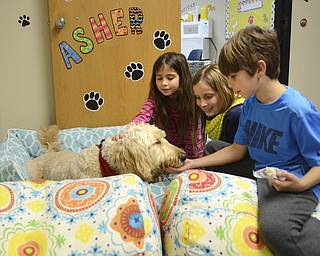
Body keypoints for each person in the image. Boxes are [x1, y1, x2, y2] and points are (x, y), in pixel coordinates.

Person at [170, 26, 320, 254]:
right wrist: (192, 162)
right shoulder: (250, 103)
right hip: (260, 168)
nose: (230, 84)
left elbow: (318, 165)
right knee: (212, 149)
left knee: (275, 229)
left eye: (233, 77)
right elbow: (238, 150)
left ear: (259, 69)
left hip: (292, 177)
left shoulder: (297, 110)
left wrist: (299, 184)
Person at [114, 52, 203, 159]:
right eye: (159, 78)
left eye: (170, 78)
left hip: (191, 151)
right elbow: (143, 116)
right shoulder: (156, 99)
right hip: (168, 150)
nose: (164, 83)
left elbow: (191, 138)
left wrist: (190, 162)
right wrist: (128, 133)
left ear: (183, 77)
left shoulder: (192, 102)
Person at [192, 64, 254, 178]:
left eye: (208, 97)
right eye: (197, 97)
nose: (202, 104)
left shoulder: (235, 114)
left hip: (254, 167)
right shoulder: (216, 112)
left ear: (224, 90)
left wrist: (194, 163)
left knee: (211, 148)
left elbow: (235, 153)